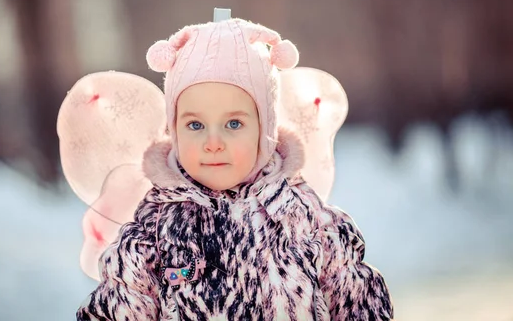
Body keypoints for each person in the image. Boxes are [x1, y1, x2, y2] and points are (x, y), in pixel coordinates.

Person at [70, 17, 394, 320]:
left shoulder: (306, 219)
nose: (213, 142)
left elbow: (358, 304)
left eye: (234, 123)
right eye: (195, 125)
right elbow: (124, 303)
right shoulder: (154, 226)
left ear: (264, 130)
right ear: (173, 131)